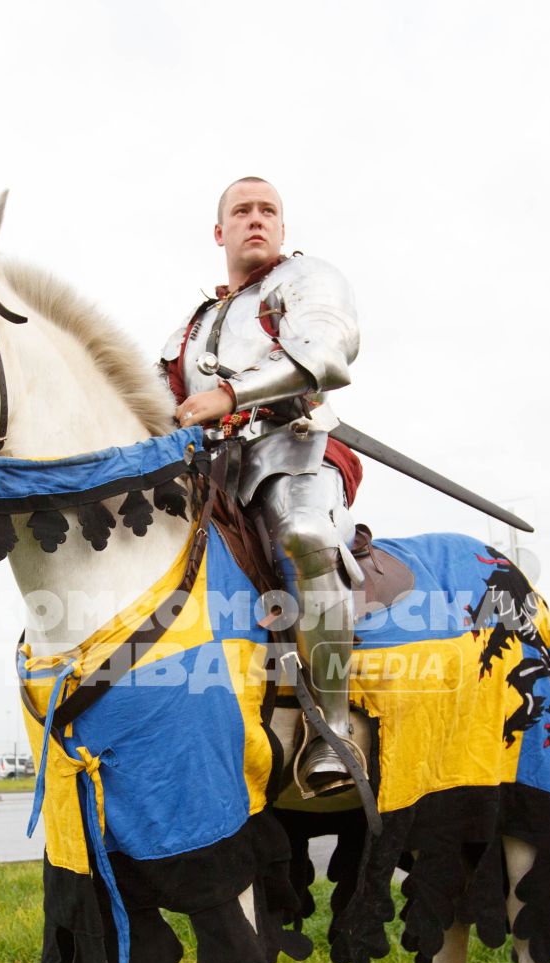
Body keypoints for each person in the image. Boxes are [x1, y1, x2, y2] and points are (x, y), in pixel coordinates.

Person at [162, 176, 365, 796]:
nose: (256, 220)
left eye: (268, 211)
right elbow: (150, 401)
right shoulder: (191, 328)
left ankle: (330, 730)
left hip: (295, 450)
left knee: (304, 534)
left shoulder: (307, 281)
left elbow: (327, 354)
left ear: (282, 228)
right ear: (219, 232)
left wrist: (226, 395)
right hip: (212, 474)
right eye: (241, 211)